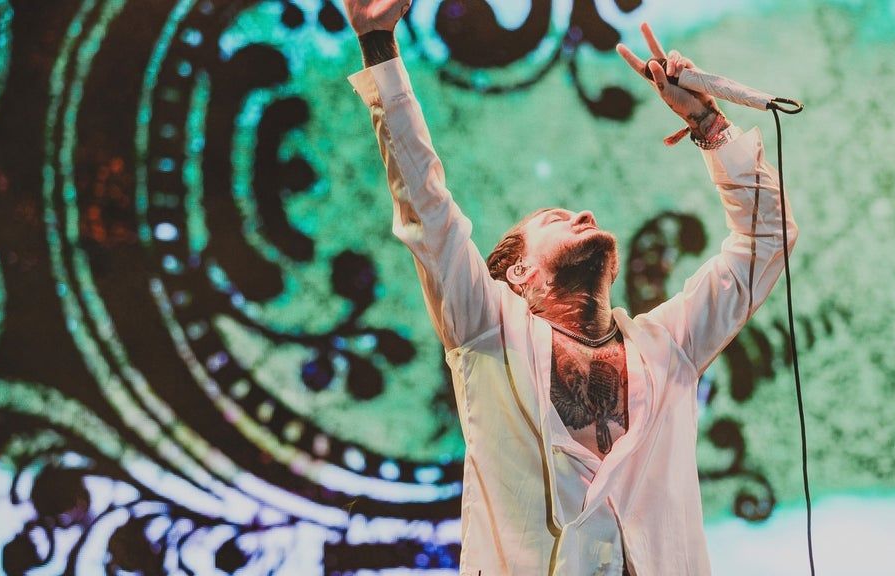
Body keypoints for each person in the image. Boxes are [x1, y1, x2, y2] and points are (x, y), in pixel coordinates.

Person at [342, 1, 798, 574]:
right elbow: (427, 210)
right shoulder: (486, 332)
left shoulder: (670, 346)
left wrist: (708, 123)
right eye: (556, 219)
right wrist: (378, 43)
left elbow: (766, 239)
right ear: (518, 273)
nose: (583, 214)